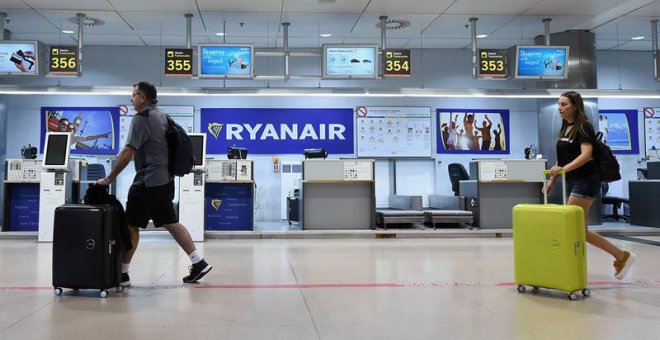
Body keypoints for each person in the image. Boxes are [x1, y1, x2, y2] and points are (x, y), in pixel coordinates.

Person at [96, 81, 212, 287]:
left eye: (133, 95)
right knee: (170, 222)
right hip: (166, 181)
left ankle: (122, 275)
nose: (131, 99)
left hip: (147, 182)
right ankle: (198, 262)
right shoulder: (162, 115)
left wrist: (109, 179)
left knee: (131, 224)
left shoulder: (142, 118)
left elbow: (127, 152)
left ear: (143, 97)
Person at [545, 91, 635, 280]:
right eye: (559, 105)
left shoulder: (584, 127)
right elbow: (562, 159)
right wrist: (552, 180)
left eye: (564, 104)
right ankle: (620, 256)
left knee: (572, 226)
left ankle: (619, 256)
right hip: (573, 180)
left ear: (575, 106)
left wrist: (562, 171)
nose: (560, 108)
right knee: (578, 229)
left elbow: (586, 155)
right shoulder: (565, 129)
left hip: (586, 181)